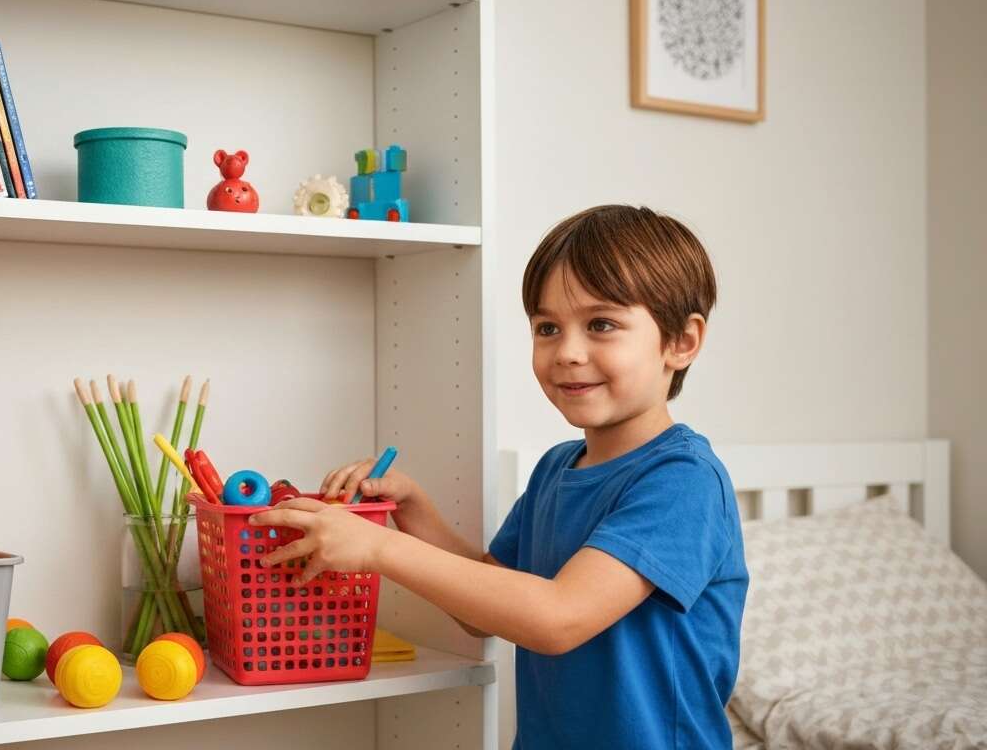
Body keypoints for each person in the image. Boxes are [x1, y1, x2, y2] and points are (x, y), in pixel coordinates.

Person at [250, 205, 749, 749]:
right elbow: (484, 610)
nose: (568, 352)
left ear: (681, 341)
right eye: (547, 328)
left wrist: (377, 549)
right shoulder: (558, 468)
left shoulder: (683, 481)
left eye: (601, 325)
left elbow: (558, 617)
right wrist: (412, 510)